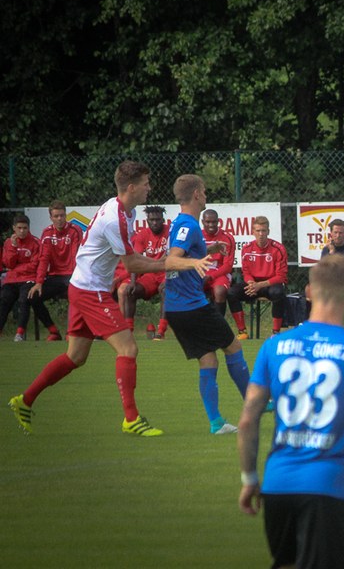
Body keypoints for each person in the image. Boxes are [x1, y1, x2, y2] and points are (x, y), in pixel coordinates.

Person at [7, 160, 212, 437]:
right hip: (91, 290)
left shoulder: (125, 211)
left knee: (75, 356)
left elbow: (132, 257)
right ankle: (131, 419)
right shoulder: (115, 218)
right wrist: (171, 263)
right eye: (145, 184)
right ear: (131, 187)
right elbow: (132, 264)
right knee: (128, 349)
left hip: (82, 285)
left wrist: (164, 261)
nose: (150, 188)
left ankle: (25, 400)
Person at [237, 254, 344, 568]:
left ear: (309, 292)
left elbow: (247, 421)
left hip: (277, 484)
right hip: (328, 487)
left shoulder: (273, 346)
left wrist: (249, 478)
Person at [165, 175, 251, 435]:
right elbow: (172, 260)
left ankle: (216, 423)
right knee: (233, 346)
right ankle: (256, 403)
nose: (205, 195)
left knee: (208, 359)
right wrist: (194, 262)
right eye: (203, 191)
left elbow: (183, 252)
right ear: (196, 194)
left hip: (176, 307)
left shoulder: (180, 223)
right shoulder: (189, 225)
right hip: (191, 305)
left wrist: (210, 249)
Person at [28, 200, 82, 340]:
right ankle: (53, 331)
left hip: (73, 275)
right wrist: (39, 282)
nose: (59, 219)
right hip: (55, 276)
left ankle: (72, 332)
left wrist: (75, 279)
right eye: (56, 216)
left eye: (62, 215)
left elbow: (77, 256)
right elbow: (43, 259)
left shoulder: (75, 230)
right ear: (51, 217)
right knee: (33, 296)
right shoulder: (47, 233)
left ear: (66, 215)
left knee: (75, 295)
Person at [227, 216, 288, 339]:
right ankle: (242, 332)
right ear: (253, 232)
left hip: (270, 284)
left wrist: (259, 285)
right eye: (258, 231)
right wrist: (251, 283)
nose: (261, 234)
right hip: (253, 284)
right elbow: (246, 272)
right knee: (231, 292)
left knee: (278, 292)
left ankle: (275, 332)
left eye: (263, 231)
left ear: (268, 231)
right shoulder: (246, 248)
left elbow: (281, 277)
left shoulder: (278, 248)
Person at [114, 206, 170, 339]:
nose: (155, 223)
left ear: (163, 220)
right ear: (147, 221)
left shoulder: (170, 232)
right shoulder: (142, 234)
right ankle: (129, 331)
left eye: (158, 219)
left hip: (167, 272)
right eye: (152, 220)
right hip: (151, 273)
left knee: (166, 290)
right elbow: (136, 259)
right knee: (130, 291)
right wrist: (133, 282)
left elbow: (174, 256)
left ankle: (161, 331)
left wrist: (168, 278)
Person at [0, 215, 55, 341]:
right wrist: (13, 247)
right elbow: (8, 264)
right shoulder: (8, 243)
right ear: (14, 228)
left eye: (25, 228)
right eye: (19, 228)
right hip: (12, 279)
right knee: (4, 299)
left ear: (28, 228)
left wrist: (17, 268)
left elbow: (34, 265)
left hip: (29, 278)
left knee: (25, 299)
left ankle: (19, 333)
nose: (22, 231)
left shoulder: (36, 242)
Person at [201, 208, 236, 316]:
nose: (211, 225)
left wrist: (211, 276)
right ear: (202, 222)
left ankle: (218, 323)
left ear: (218, 221)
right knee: (190, 290)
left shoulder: (227, 237)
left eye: (214, 222)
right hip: (200, 271)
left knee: (219, 291)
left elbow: (227, 266)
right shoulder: (197, 236)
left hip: (219, 273)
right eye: (208, 222)